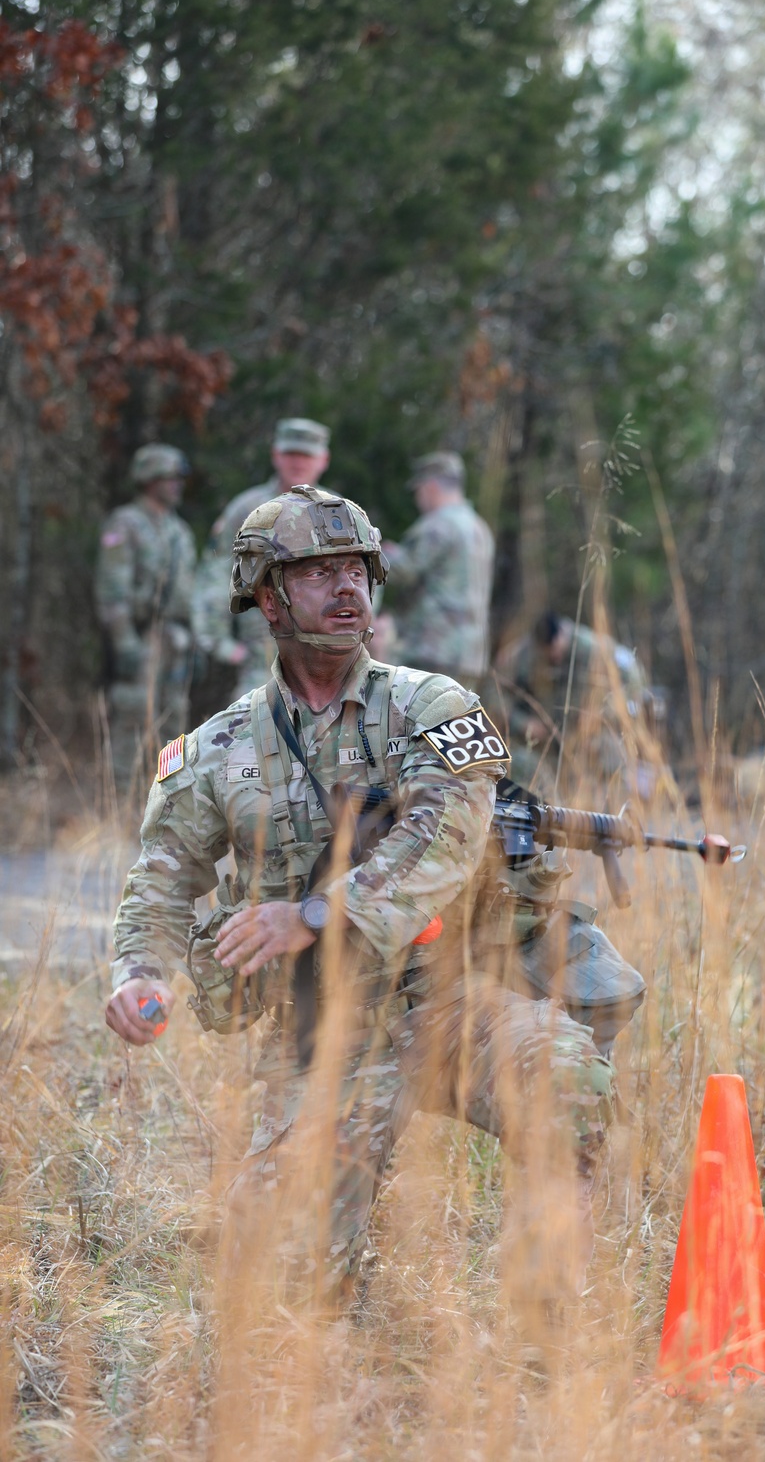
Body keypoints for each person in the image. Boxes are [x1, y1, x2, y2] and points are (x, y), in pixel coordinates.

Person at [104, 485, 614, 1348]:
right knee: (279, 1304)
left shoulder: (435, 704)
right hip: (321, 1034)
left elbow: (447, 831)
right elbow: (159, 883)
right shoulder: (214, 751)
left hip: (447, 1003)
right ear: (268, 598)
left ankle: (538, 1334)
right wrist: (138, 976)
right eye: (319, 573)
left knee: (566, 1080)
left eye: (358, 571)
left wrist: (313, 912)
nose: (348, 589)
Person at [193, 417, 330, 698]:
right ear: (275, 455)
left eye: (306, 455)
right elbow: (217, 571)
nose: (298, 462)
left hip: (325, 651)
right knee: (251, 726)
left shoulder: (337, 512)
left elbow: (361, 578)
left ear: (323, 459)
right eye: (291, 453)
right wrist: (217, 639)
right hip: (262, 648)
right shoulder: (247, 508)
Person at [95, 443, 196, 794]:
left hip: (174, 641)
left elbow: (188, 593)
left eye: (178, 478)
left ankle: (166, 804)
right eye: (169, 478)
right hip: (139, 638)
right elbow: (112, 591)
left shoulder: (179, 531)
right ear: (149, 480)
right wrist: (125, 643)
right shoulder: (126, 523)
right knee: (133, 719)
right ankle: (120, 805)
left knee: (174, 723)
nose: (176, 485)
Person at [492, 611, 651, 797]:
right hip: (543, 739)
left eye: (557, 650)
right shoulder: (522, 654)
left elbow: (634, 685)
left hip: (588, 736)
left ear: (563, 635)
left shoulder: (594, 648)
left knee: (610, 757)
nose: (554, 657)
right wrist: (521, 722)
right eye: (548, 654)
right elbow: (493, 691)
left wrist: (602, 713)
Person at [381, 451, 493, 688]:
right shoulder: (479, 528)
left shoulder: (437, 525)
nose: (418, 498)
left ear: (430, 487)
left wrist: (378, 553)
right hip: (469, 654)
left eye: (418, 491)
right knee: (453, 723)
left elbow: (402, 571)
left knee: (418, 721)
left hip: (431, 650)